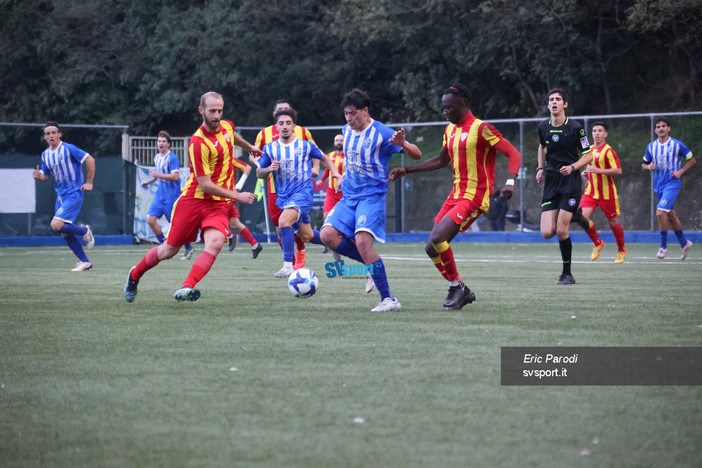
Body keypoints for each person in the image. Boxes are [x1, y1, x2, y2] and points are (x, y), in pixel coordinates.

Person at [390, 84, 521, 309]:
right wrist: (407, 170)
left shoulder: (482, 128)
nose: (445, 112)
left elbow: (513, 153)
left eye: (448, 107)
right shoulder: (449, 130)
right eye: (443, 108)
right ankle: (461, 288)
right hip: (456, 195)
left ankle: (455, 288)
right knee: (431, 248)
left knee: (439, 237)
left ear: (461, 105)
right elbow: (441, 160)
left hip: (476, 195)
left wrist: (510, 182)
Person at [124, 91, 258, 302]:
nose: (216, 115)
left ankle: (186, 287)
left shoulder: (227, 126)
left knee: (214, 242)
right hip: (193, 201)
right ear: (201, 110)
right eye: (212, 111)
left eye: (220, 111)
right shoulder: (198, 143)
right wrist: (237, 195)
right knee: (168, 251)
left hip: (218, 205)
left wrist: (249, 146)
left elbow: (232, 135)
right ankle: (134, 275)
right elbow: (205, 185)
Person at [320, 88, 421, 312]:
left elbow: (417, 154)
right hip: (349, 195)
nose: (348, 118)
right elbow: (355, 159)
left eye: (353, 113)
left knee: (363, 243)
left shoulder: (382, 132)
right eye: (346, 113)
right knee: (327, 235)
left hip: (371, 196)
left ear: (365, 111)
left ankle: (389, 300)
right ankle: (371, 265)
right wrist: (344, 175)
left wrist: (403, 143)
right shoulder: (346, 130)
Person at [256, 108, 342, 277]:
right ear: (276, 126)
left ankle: (288, 265)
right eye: (281, 123)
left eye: (288, 123)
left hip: (302, 194)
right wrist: (268, 169)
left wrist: (336, 173)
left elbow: (325, 158)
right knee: (308, 235)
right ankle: (335, 244)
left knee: (283, 221)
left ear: (294, 125)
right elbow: (258, 173)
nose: (285, 126)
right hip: (283, 198)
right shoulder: (270, 148)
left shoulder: (305, 145)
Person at [536, 88, 593, 285]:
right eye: (551, 99)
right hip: (551, 181)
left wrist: (573, 167)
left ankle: (567, 274)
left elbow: (589, 155)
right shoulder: (543, 127)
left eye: (558, 99)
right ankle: (576, 214)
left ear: (565, 104)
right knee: (546, 233)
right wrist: (540, 168)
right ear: (548, 104)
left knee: (561, 231)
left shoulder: (576, 128)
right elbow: (542, 146)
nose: (554, 102)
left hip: (570, 181)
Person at [255, 99, 319, 269]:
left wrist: (316, 168)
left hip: (299, 189)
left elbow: (316, 152)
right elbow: (255, 156)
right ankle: (331, 241)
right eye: (280, 111)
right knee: (283, 228)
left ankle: (294, 258)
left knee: (286, 222)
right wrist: (265, 166)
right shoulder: (264, 135)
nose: (285, 124)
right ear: (274, 115)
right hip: (276, 190)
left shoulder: (302, 133)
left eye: (286, 111)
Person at [32, 121, 96, 271]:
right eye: (48, 134)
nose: (51, 135)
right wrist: (39, 177)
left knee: (55, 224)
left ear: (59, 134)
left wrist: (89, 182)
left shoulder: (68, 149)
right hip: (61, 195)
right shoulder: (45, 155)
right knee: (63, 231)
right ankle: (85, 262)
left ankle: (84, 231)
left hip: (74, 192)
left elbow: (90, 159)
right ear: (45, 137)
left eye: (54, 132)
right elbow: (45, 175)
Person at [642, 116, 696, 260]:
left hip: (672, 184)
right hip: (658, 186)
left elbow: (692, 159)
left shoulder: (677, 145)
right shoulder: (651, 146)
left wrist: (680, 171)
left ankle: (663, 247)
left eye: (663, 126)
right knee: (671, 215)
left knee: (660, 213)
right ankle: (684, 243)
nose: (661, 129)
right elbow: (644, 163)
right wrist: (648, 166)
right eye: (658, 127)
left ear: (668, 128)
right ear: (655, 130)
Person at [140, 130, 194, 259]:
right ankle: (163, 246)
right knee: (150, 220)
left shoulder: (172, 158)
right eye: (159, 141)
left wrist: (157, 175)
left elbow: (175, 176)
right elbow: (158, 175)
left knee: (178, 226)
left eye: (164, 141)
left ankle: (189, 248)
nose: (161, 143)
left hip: (171, 197)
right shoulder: (157, 157)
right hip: (160, 196)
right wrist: (148, 181)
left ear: (168, 144)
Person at [579, 122, 627, 263]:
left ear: (605, 134)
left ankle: (621, 250)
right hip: (590, 192)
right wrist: (586, 174)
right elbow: (591, 170)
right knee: (581, 218)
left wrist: (597, 171)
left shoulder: (608, 151)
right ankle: (598, 242)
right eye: (594, 131)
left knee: (613, 222)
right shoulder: (589, 150)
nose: (596, 133)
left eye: (600, 131)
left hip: (607, 194)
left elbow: (618, 170)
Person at [226, 157, 263, 258]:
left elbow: (247, 167)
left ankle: (229, 235)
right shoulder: (211, 159)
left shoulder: (229, 159)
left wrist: (238, 187)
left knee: (212, 216)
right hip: (221, 194)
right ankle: (255, 245)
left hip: (227, 195)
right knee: (235, 224)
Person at [317, 133, 345, 259]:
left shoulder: (349, 156)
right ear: (334, 142)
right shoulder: (330, 156)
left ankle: (337, 243)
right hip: (331, 192)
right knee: (326, 217)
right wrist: (322, 180)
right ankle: (327, 243)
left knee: (343, 219)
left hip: (345, 192)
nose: (339, 142)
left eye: (341, 140)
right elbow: (328, 170)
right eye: (337, 140)